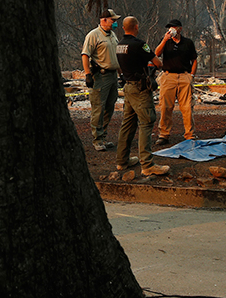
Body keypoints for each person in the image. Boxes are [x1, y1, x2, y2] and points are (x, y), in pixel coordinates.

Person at [115, 16, 169, 176]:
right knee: (146, 122)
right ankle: (147, 164)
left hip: (128, 86)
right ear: (136, 27)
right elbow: (157, 63)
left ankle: (122, 161)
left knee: (128, 123)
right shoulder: (139, 45)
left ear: (124, 28)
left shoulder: (119, 45)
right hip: (139, 87)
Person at [153, 19, 198, 146]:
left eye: (174, 27)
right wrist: (165, 39)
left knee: (187, 107)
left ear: (180, 29)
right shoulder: (166, 42)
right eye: (169, 27)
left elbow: (194, 60)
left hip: (184, 76)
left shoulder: (188, 43)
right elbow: (156, 54)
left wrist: (191, 76)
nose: (171, 29)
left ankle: (190, 135)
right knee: (165, 107)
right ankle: (164, 135)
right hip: (168, 76)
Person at [81, 9, 121, 151]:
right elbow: (85, 54)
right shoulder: (93, 35)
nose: (115, 23)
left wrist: (120, 73)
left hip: (112, 75)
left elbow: (116, 56)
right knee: (98, 108)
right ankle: (97, 139)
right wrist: (87, 74)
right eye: (113, 20)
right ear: (104, 20)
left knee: (109, 107)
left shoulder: (113, 35)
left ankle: (103, 136)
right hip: (100, 76)